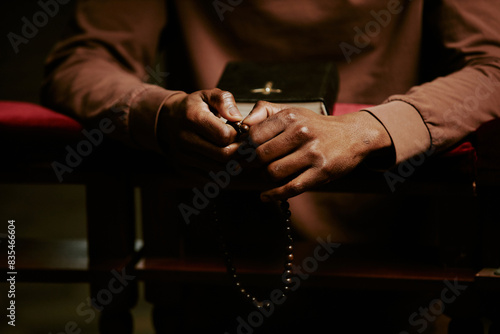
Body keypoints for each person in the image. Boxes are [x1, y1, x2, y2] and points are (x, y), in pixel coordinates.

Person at [41, 0, 500, 332]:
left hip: (401, 240)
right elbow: (81, 61)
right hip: (212, 240)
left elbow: (493, 65)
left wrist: (368, 130)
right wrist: (161, 113)